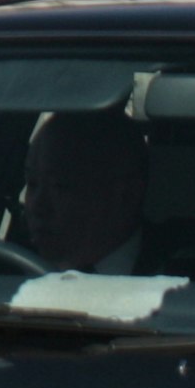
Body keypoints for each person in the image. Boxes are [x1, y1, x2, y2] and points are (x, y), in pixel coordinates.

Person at [18, 109, 150, 273]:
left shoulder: (182, 280)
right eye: (32, 183)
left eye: (60, 186)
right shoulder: (5, 269)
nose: (37, 206)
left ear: (127, 194)